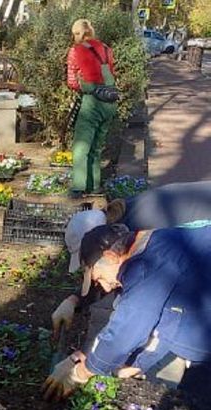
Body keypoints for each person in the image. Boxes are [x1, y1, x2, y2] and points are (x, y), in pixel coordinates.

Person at [42, 224, 211, 402]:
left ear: (111, 256)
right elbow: (169, 321)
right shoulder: (157, 242)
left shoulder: (146, 267)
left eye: (99, 278)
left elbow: (126, 332)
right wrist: (139, 363)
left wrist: (81, 372)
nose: (106, 287)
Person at [52, 180, 211, 337]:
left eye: (86, 256)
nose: (88, 263)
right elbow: (106, 269)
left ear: (99, 241)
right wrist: (74, 300)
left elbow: (143, 291)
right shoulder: (122, 217)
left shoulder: (140, 231)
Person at [67, 19, 117, 198]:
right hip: (110, 101)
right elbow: (112, 73)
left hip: (92, 102)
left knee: (82, 145)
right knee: (97, 146)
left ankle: (79, 187)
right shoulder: (106, 49)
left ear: (77, 33)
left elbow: (72, 82)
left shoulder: (76, 51)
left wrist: (84, 85)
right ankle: (95, 186)